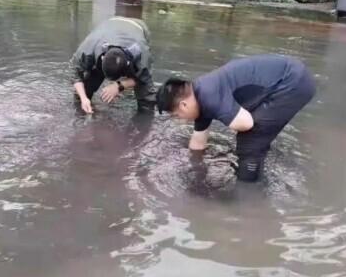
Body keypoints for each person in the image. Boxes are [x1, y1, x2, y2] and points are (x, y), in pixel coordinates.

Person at [156, 54, 316, 182]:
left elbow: (246, 123)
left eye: (177, 115)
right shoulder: (199, 95)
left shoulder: (208, 96)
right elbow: (198, 142)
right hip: (287, 77)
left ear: (184, 105)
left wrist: (231, 121)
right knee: (255, 139)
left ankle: (248, 196)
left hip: (292, 82)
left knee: (249, 143)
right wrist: (194, 169)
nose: (181, 120)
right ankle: (256, 169)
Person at [71, 16, 156, 113]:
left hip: (137, 26)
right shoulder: (88, 50)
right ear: (102, 58)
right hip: (110, 24)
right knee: (83, 91)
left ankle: (144, 118)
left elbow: (145, 77)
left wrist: (120, 85)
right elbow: (75, 74)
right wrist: (83, 99)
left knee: (147, 99)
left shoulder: (142, 53)